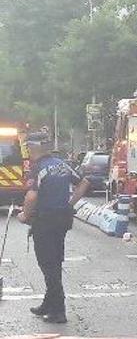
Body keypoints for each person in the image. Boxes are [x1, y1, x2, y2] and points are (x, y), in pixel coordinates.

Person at [19, 130, 91, 324]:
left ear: (35, 147)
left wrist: (24, 215)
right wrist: (70, 203)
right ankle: (48, 303)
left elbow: (32, 196)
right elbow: (84, 182)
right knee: (55, 262)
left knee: (47, 264)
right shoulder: (62, 165)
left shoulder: (38, 168)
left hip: (45, 221)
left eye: (28, 147)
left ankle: (58, 310)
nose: (27, 150)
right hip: (62, 220)